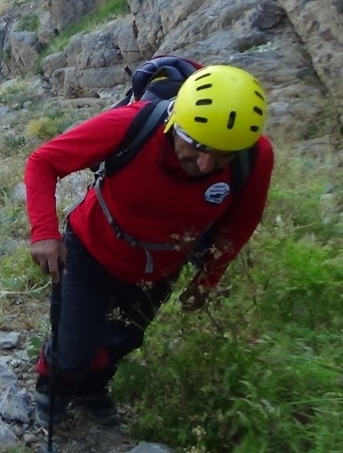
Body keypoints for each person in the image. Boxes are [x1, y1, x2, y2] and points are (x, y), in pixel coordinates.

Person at [24, 65, 275, 427]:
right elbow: (43, 162)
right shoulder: (133, 125)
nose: (205, 164)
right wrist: (45, 233)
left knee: (122, 340)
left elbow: (240, 223)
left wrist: (209, 279)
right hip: (90, 251)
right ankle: (55, 383)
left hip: (158, 270)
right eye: (197, 147)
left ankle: (92, 386)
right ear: (174, 123)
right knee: (75, 346)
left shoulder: (254, 157)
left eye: (222, 155)